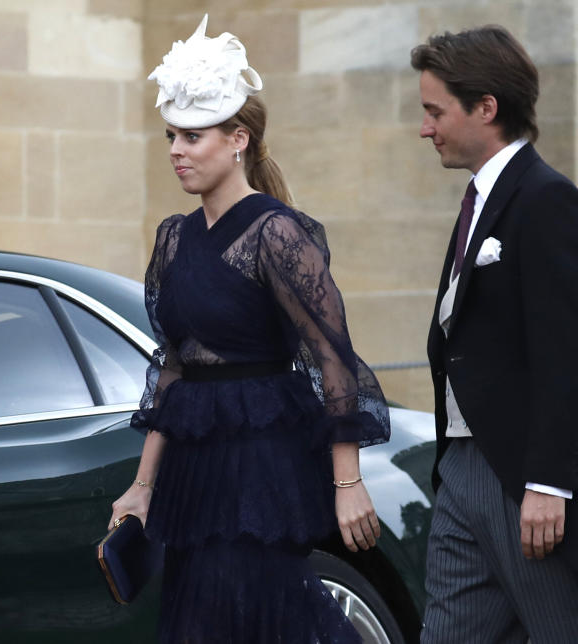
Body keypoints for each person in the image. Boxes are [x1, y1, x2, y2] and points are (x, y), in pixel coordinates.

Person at [108, 16, 389, 643]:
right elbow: (173, 370)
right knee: (198, 621)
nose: (176, 149)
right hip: (193, 465)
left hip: (262, 458)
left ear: (238, 139)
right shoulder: (173, 237)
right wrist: (141, 487)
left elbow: (333, 359)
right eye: (170, 135)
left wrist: (348, 484)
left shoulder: (276, 232)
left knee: (260, 613)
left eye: (192, 136)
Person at [413, 26, 578, 642]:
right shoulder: (478, 199)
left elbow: (564, 353)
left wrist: (547, 482)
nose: (425, 128)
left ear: (487, 107)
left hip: (520, 480)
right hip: (459, 467)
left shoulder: (547, 200)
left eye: (436, 111)